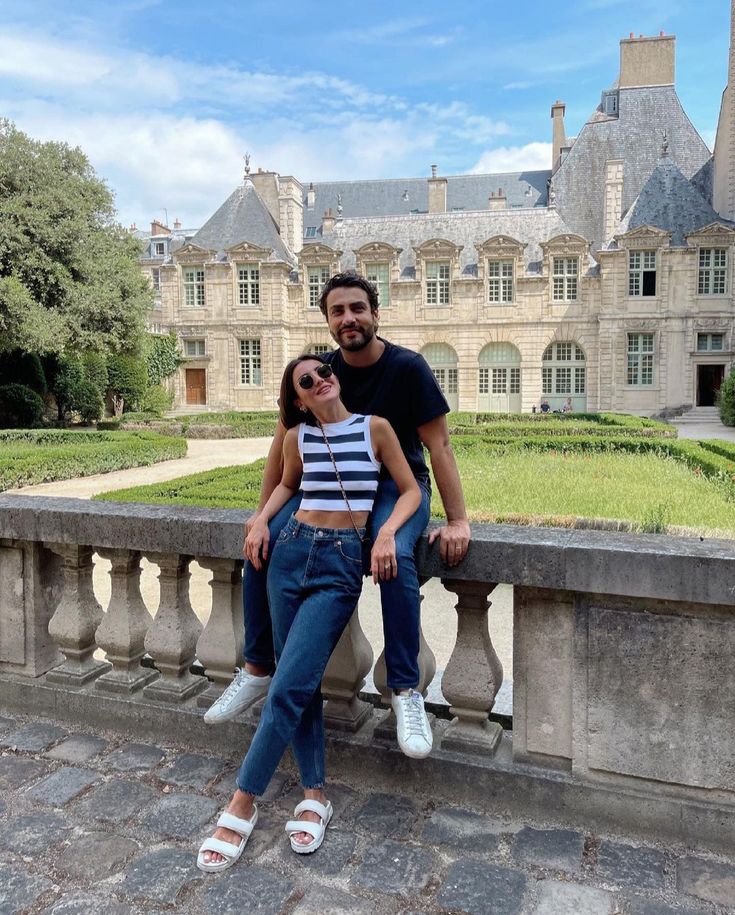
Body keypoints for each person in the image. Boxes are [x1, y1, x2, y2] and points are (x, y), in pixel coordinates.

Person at [204, 271, 471, 759]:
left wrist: (457, 520)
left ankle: (406, 691)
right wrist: (260, 515)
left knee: (397, 561)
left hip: (395, 486)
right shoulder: (317, 372)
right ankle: (259, 667)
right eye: (337, 311)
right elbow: (280, 451)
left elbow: (439, 445)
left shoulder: (408, 368)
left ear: (375, 313)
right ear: (328, 321)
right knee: (263, 544)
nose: (348, 318)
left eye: (357, 308)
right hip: (328, 488)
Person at [197, 355, 420, 872]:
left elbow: (408, 490)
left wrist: (386, 533)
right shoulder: (298, 437)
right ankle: (314, 794)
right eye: (306, 381)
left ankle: (241, 802)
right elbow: (286, 485)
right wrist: (260, 520)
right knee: (301, 682)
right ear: (297, 399)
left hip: (342, 560)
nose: (320, 379)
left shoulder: (375, 428)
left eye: (323, 372)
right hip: (291, 551)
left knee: (288, 685)